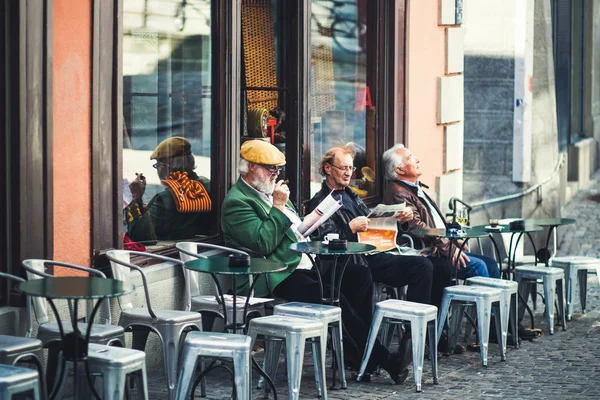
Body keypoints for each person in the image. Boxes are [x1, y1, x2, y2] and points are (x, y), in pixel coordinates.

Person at [221, 140, 412, 384]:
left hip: (301, 261)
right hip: (274, 273)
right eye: (271, 169)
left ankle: (358, 358)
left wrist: (312, 223)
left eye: (278, 169)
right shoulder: (238, 202)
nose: (276, 174)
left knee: (358, 275)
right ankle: (385, 360)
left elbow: (294, 227)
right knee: (331, 296)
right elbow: (263, 243)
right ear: (250, 168)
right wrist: (278, 207)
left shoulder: (270, 192)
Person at [381, 144, 500, 280]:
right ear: (399, 170)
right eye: (411, 158)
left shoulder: (413, 187)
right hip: (430, 252)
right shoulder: (399, 192)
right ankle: (480, 301)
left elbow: (435, 222)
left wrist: (454, 240)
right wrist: (448, 246)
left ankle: (499, 302)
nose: (417, 160)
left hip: (440, 247)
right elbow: (417, 227)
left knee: (491, 264)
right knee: (479, 266)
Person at [125, 136, 213, 242]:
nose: (157, 168)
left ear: (165, 167)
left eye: (157, 164)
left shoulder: (164, 199)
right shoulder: (207, 185)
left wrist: (135, 197)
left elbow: (138, 236)